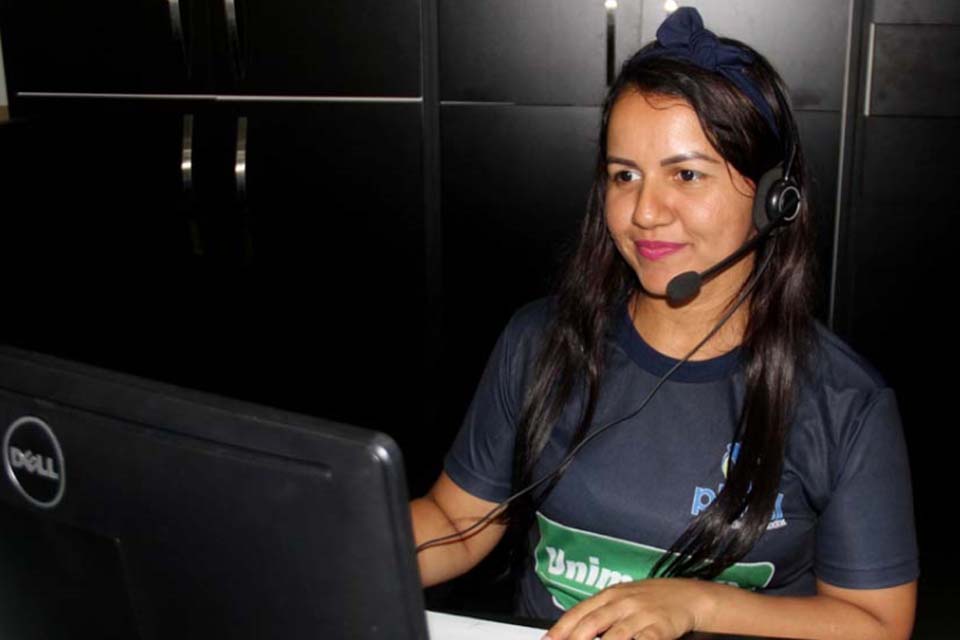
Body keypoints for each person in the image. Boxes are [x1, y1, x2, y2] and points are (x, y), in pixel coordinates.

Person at [409, 8, 918, 639]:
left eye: (686, 174)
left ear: (774, 199)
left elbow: (877, 623)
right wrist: (335, 544)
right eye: (624, 175)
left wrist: (697, 605)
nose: (645, 211)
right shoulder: (541, 340)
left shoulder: (844, 403)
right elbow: (456, 523)